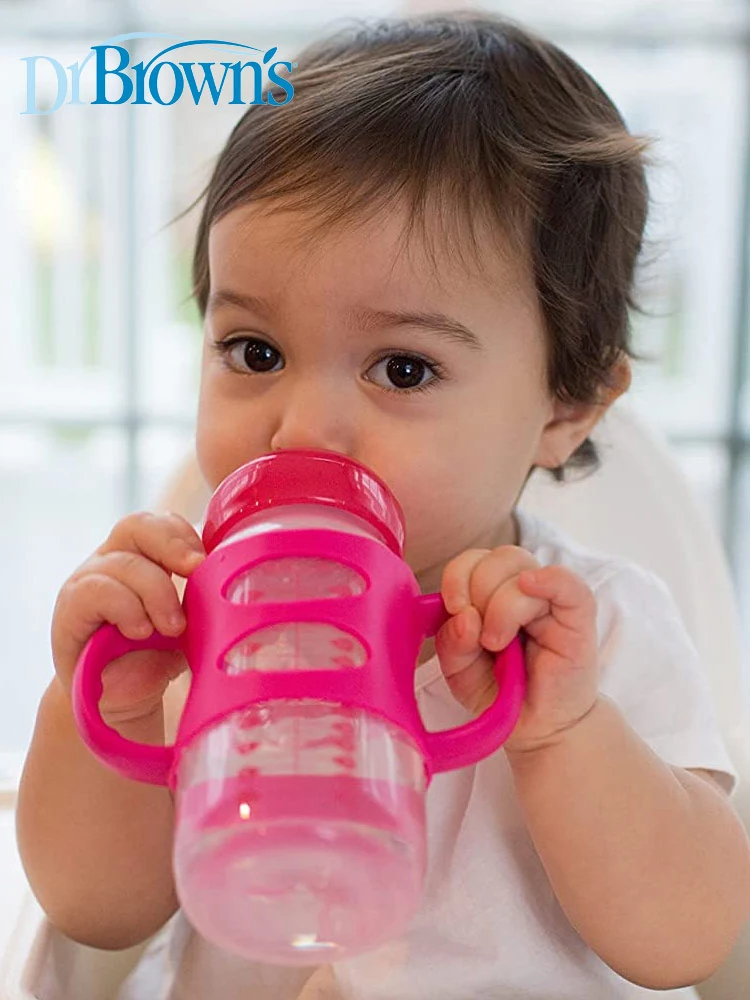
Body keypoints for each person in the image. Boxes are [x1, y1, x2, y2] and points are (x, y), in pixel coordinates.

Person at [15, 11, 750, 1000]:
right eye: (255, 351)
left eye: (403, 367)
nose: (305, 425)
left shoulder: (596, 632)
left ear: (565, 408)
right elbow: (91, 916)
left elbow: (694, 940)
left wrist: (566, 735)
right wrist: (108, 707)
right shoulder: (201, 623)